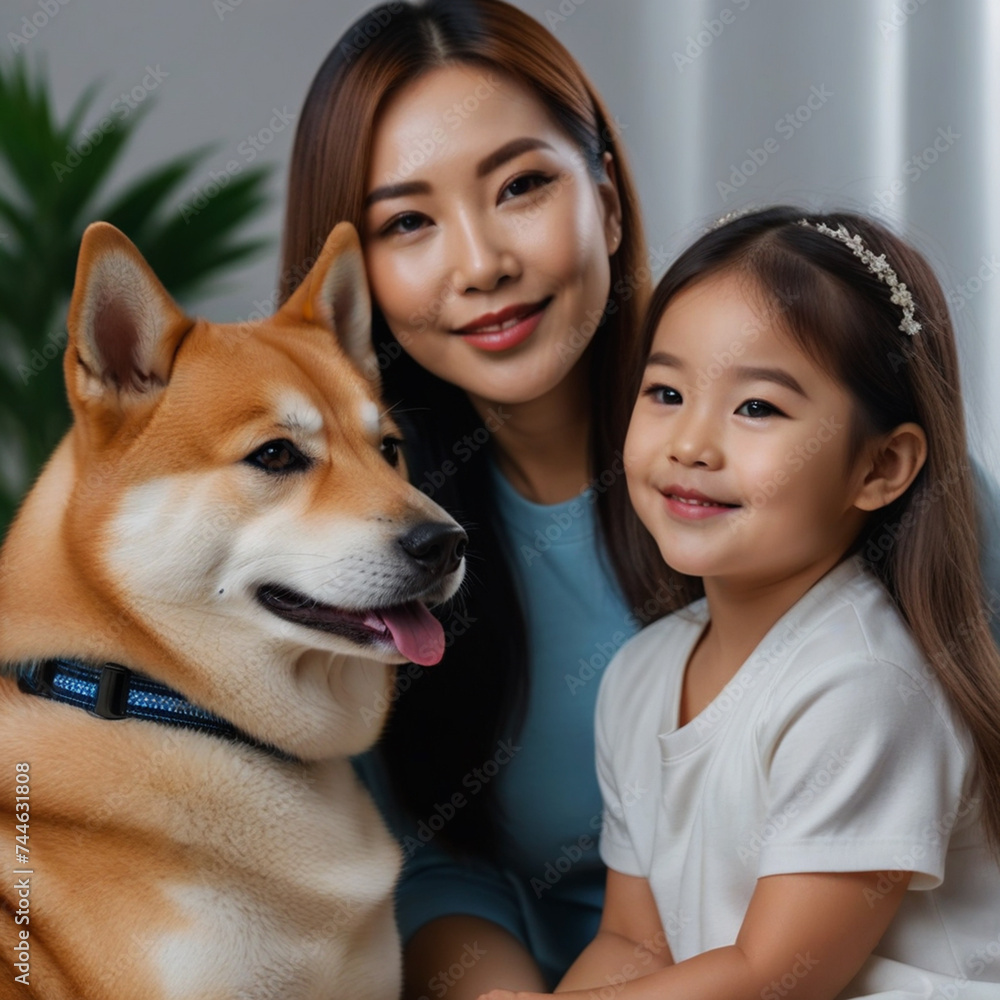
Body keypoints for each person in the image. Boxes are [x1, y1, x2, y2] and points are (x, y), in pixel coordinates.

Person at [476, 207, 1000, 1000]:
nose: (690, 444)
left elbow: (774, 979)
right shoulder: (641, 675)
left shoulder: (863, 684)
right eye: (666, 392)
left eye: (756, 407)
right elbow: (634, 943)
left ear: (880, 467)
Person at [279, 1, 658, 993]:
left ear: (607, 201)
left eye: (522, 186)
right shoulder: (349, 547)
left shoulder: (830, 454)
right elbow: (429, 861)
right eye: (409, 222)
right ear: (351, 281)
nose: (482, 264)